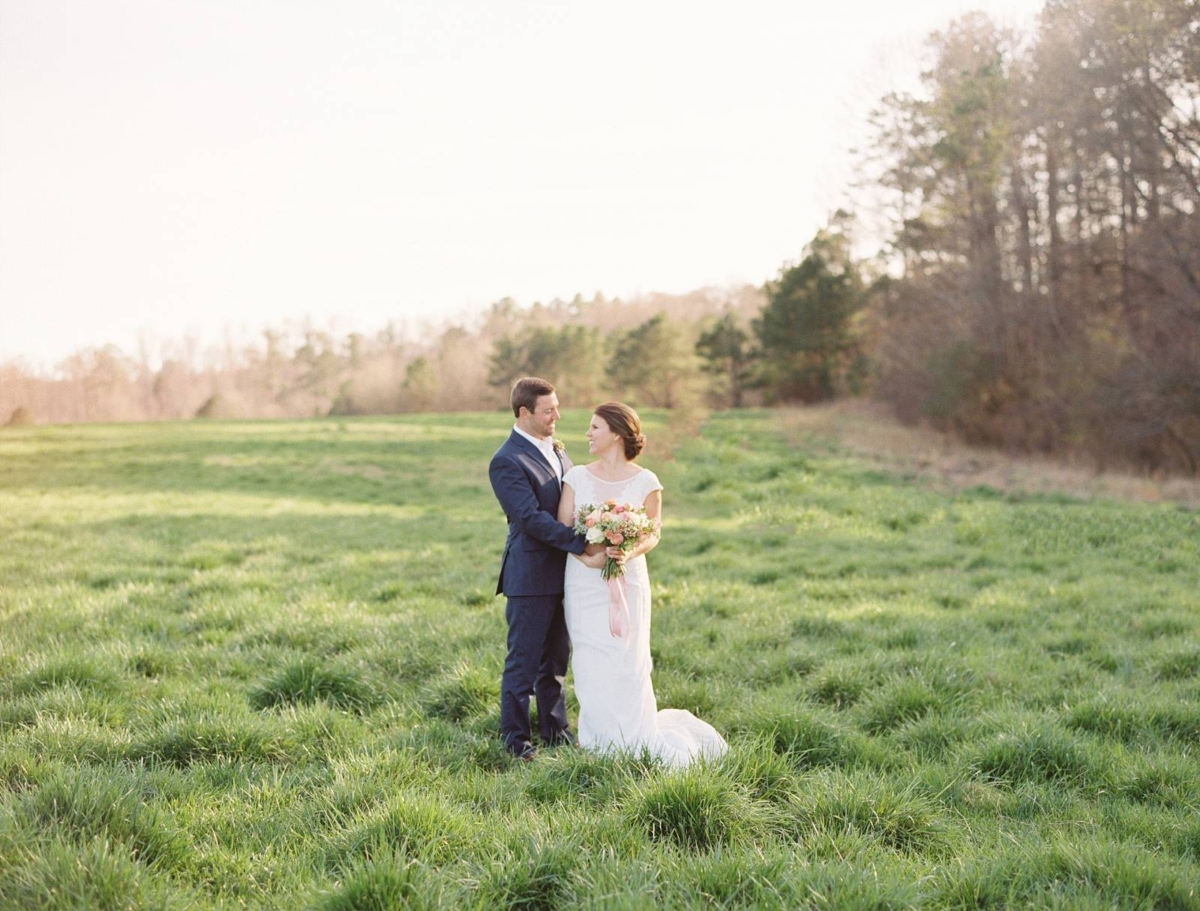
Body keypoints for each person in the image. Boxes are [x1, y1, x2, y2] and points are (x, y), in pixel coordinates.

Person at [557, 402, 727, 768]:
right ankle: (598, 743)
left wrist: (624, 553)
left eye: (595, 428)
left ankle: (636, 738)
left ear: (616, 433)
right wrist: (589, 556)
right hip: (584, 582)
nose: (587, 434)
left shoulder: (646, 481)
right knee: (589, 658)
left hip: (629, 582)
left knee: (627, 660)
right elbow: (564, 529)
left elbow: (653, 534)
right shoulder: (577, 478)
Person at [488, 377, 599, 761]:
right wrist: (581, 542)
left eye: (556, 407)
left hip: (565, 574)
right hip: (530, 576)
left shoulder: (556, 448)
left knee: (554, 661)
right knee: (523, 663)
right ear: (524, 413)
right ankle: (516, 742)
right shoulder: (506, 460)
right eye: (548, 410)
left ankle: (556, 731)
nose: (557, 415)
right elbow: (530, 518)